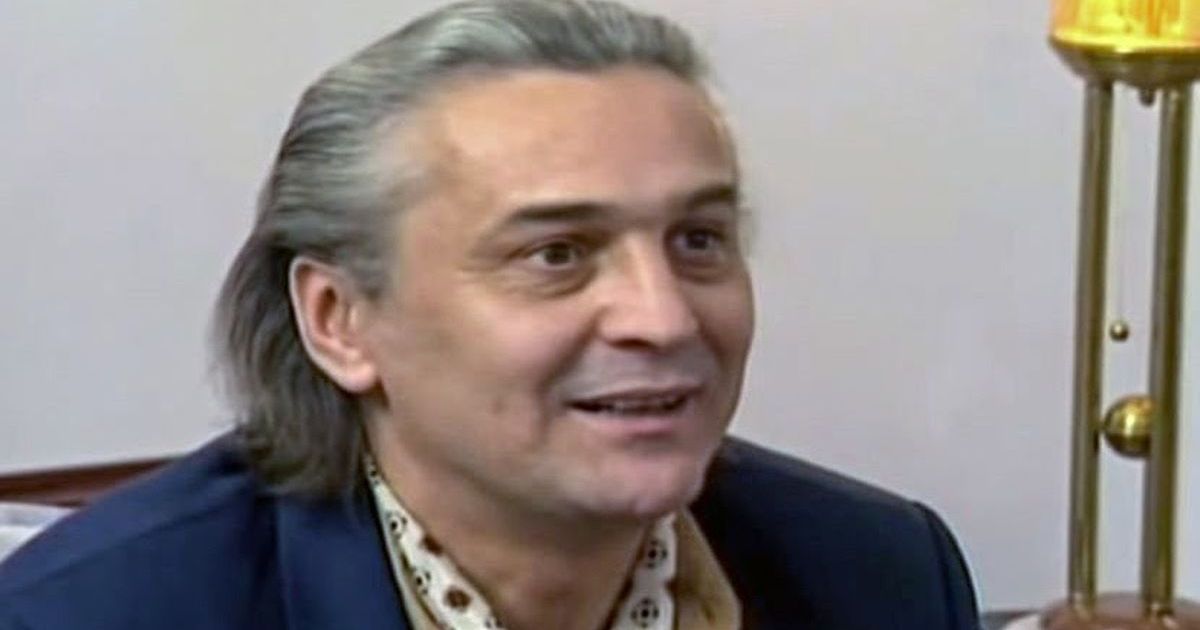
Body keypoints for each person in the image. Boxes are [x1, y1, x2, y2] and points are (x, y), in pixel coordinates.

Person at [0, 1, 979, 628]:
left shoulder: (880, 573)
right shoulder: (94, 613)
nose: (665, 318)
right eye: (557, 254)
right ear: (340, 321)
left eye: (698, 240)